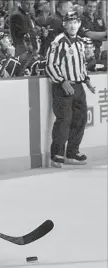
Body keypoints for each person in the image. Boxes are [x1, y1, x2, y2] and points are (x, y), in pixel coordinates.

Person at [45, 11, 96, 168]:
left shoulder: (80, 42)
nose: (73, 25)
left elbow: (80, 64)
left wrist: (86, 80)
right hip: (63, 88)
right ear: (64, 24)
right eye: (69, 22)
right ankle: (57, 154)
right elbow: (50, 64)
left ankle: (72, 152)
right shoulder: (58, 42)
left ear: (79, 24)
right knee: (64, 120)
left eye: (75, 22)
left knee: (80, 119)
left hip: (78, 86)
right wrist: (61, 81)